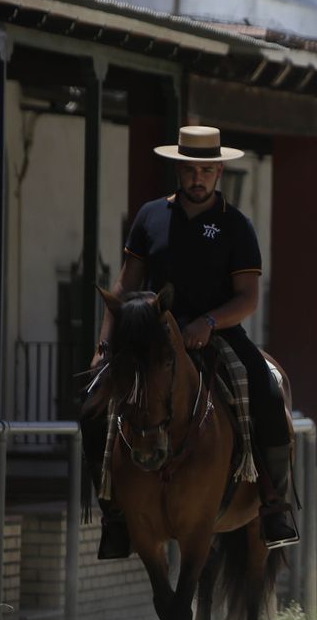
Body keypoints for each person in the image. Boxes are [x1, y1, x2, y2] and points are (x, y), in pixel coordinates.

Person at [83, 125, 299, 557]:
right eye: (189, 169)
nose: (197, 177)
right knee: (92, 405)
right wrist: (105, 348)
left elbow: (248, 298)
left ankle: (274, 504)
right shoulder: (150, 217)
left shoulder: (237, 226)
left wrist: (209, 322)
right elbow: (126, 285)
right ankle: (114, 512)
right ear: (178, 170)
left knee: (269, 393)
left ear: (219, 170)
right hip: (152, 339)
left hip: (218, 334)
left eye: (206, 169)